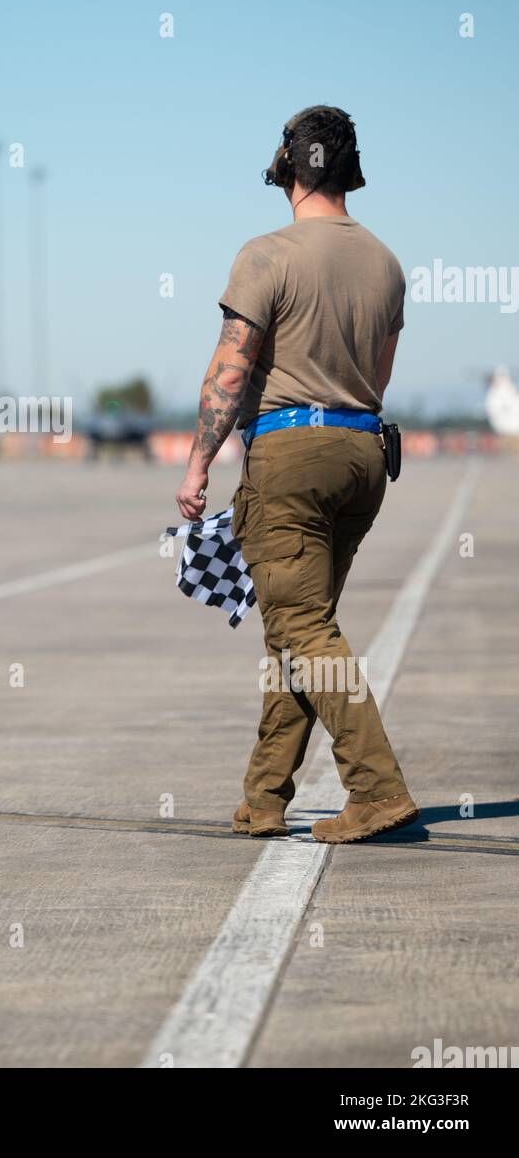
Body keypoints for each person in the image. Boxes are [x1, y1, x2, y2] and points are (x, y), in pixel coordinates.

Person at [175, 106, 418, 844]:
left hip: (290, 457)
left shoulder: (267, 253)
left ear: (285, 167)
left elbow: (233, 363)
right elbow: (376, 380)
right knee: (297, 630)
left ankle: (377, 789)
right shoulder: (385, 263)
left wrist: (198, 462)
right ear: (351, 173)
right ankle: (264, 797)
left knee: (303, 629)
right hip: (362, 455)